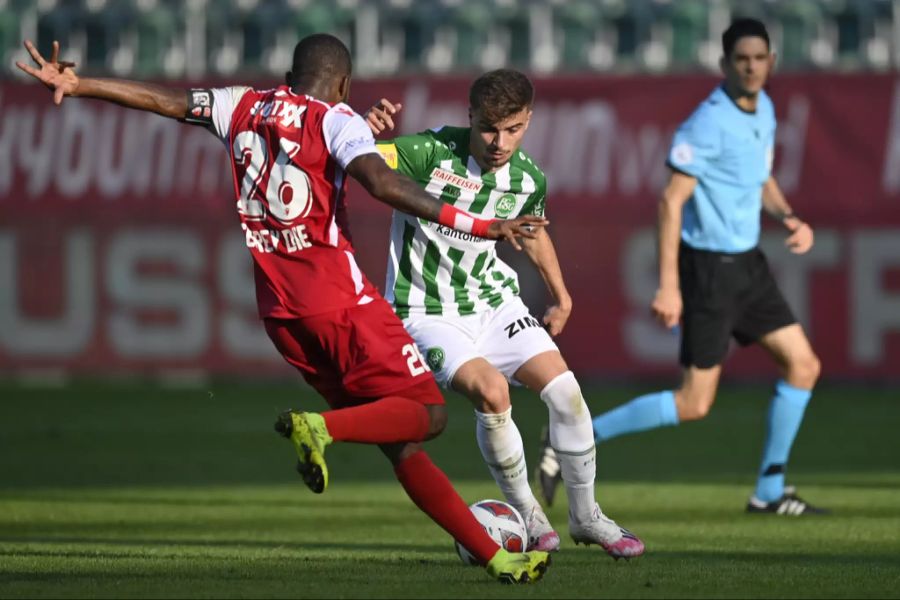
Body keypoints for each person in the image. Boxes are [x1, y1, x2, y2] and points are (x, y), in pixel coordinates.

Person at [17, 34, 554, 583]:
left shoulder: (241, 104)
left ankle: (499, 558)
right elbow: (384, 182)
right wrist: (485, 225)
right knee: (430, 414)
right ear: (343, 83)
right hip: (340, 300)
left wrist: (80, 84)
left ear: (291, 71)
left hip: (280, 314)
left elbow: (166, 100)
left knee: (399, 442)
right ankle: (319, 429)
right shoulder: (336, 118)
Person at [535, 19, 828, 517]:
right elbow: (671, 202)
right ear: (724, 65)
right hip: (708, 270)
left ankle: (769, 491)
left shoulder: (765, 109)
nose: (752, 66)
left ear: (771, 62)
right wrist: (670, 287)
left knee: (804, 365)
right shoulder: (707, 122)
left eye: (760, 58)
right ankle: (570, 439)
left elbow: (759, 178)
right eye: (742, 59)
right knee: (694, 403)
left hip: (748, 265)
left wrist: (790, 216)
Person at [363, 69, 644, 559]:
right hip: (426, 310)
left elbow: (533, 232)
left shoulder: (528, 178)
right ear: (470, 116)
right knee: (491, 392)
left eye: (512, 129)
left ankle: (587, 516)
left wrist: (562, 296)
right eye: (489, 128)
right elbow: (357, 161)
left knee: (566, 393)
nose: (499, 141)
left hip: (493, 303)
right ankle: (528, 514)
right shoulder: (430, 153)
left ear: (528, 121)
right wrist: (364, 131)